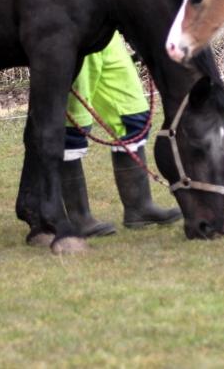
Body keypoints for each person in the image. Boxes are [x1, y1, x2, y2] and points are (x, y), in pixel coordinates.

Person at [62, 31, 181, 237]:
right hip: (75, 33)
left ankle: (139, 207)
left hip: (108, 34)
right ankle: (79, 218)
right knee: (72, 126)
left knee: (132, 115)